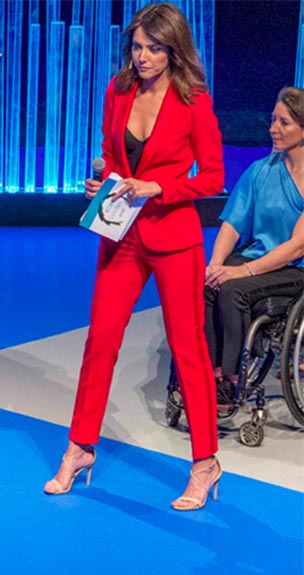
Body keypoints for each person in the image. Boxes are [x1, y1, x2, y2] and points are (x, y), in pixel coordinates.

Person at [45, 2, 224, 510]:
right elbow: (109, 151)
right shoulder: (118, 89)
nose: (141, 57)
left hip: (174, 238)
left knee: (189, 350)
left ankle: (206, 463)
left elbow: (212, 178)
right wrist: (100, 181)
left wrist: (158, 187)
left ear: (174, 50)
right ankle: (80, 447)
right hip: (119, 235)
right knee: (99, 341)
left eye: (152, 48)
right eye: (137, 47)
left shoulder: (194, 103)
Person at [204, 87, 304, 409]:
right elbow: (232, 223)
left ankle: (232, 378)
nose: (273, 128)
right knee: (206, 285)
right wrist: (215, 264)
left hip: (295, 269)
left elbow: (295, 249)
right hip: (257, 257)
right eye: (273, 120)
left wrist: (239, 271)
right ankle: (210, 372)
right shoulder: (260, 170)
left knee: (233, 289)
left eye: (284, 123)